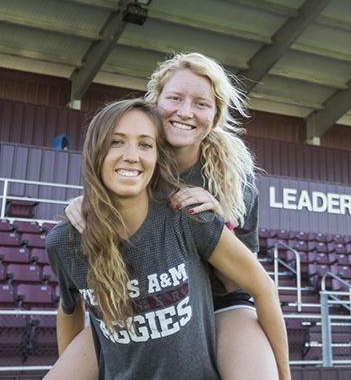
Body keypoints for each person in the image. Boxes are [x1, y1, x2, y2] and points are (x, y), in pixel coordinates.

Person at [53, 53, 281, 379]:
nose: (185, 112)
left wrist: (218, 223)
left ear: (215, 115)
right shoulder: (134, 160)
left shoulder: (234, 180)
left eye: (201, 103)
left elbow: (237, 282)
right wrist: (88, 204)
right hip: (149, 302)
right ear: (154, 103)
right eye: (174, 98)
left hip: (221, 306)